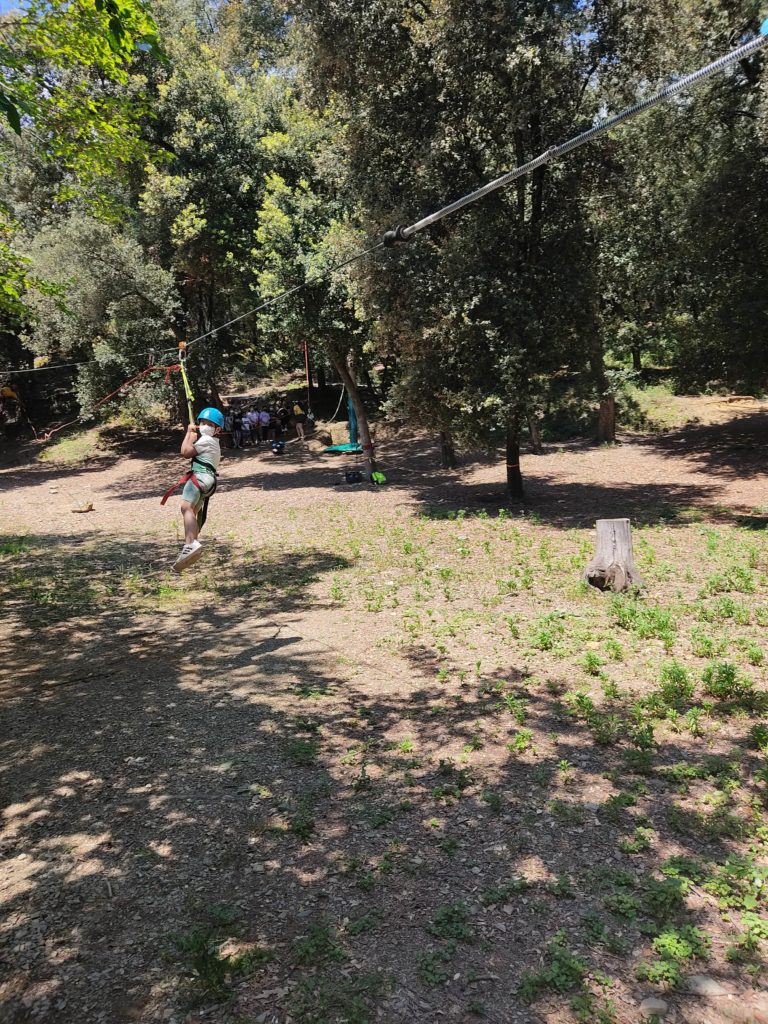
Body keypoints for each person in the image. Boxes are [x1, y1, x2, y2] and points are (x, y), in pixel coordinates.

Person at [165, 407, 224, 572]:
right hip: (209, 481)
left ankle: (191, 543)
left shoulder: (206, 440)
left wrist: (189, 434)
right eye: (202, 423)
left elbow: (185, 452)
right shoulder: (214, 443)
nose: (205, 426)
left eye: (209, 424)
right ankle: (191, 547)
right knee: (193, 511)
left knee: (186, 508)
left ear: (217, 429)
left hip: (199, 477)